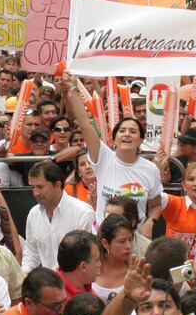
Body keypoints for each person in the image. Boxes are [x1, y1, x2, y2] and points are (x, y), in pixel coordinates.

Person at [62, 74, 163, 225]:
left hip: (135, 239)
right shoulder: (103, 157)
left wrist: (150, 223)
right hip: (105, 238)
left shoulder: (150, 169)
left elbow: (155, 206)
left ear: (141, 140)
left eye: (133, 131)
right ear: (114, 138)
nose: (127, 134)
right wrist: (73, 89)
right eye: (122, 131)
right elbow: (84, 125)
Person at [22, 161, 95, 271]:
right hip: (46, 283)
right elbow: (31, 254)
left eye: (40, 187)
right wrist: (25, 274)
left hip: (74, 285)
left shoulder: (83, 213)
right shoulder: (33, 214)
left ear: (58, 185)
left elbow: (84, 257)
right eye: (33, 187)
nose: (35, 193)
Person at [145, 161, 196, 259]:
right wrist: (157, 169)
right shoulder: (173, 203)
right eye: (191, 179)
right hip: (175, 268)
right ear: (183, 185)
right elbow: (151, 193)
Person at [91, 215, 137, 304]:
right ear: (105, 243)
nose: (128, 246)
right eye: (122, 241)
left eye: (130, 240)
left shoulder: (136, 272)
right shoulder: (91, 268)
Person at [56, 230, 100, 299]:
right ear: (83, 266)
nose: (100, 264)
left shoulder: (85, 284)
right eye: (97, 260)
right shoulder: (61, 301)